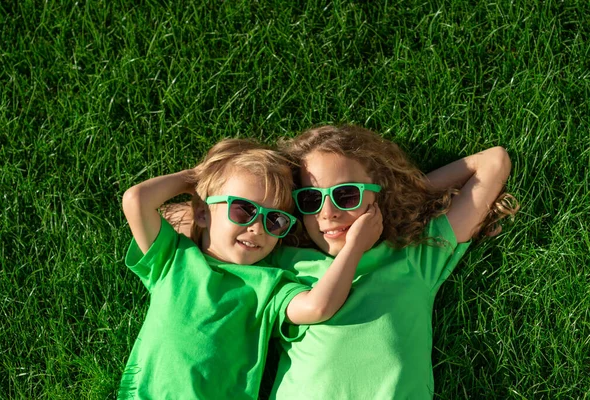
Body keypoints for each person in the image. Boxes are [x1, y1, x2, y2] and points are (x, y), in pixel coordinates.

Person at [267, 125, 519, 399]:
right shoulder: (286, 262)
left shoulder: (414, 256)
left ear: (378, 194)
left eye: (347, 194)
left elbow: (493, 161)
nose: (328, 213)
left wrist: (399, 195)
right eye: (311, 198)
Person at [118, 138, 382, 399]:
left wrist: (354, 247)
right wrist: (198, 176)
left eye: (275, 220)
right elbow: (136, 200)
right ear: (202, 213)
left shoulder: (267, 284)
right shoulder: (174, 258)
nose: (257, 228)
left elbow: (317, 307)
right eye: (244, 210)